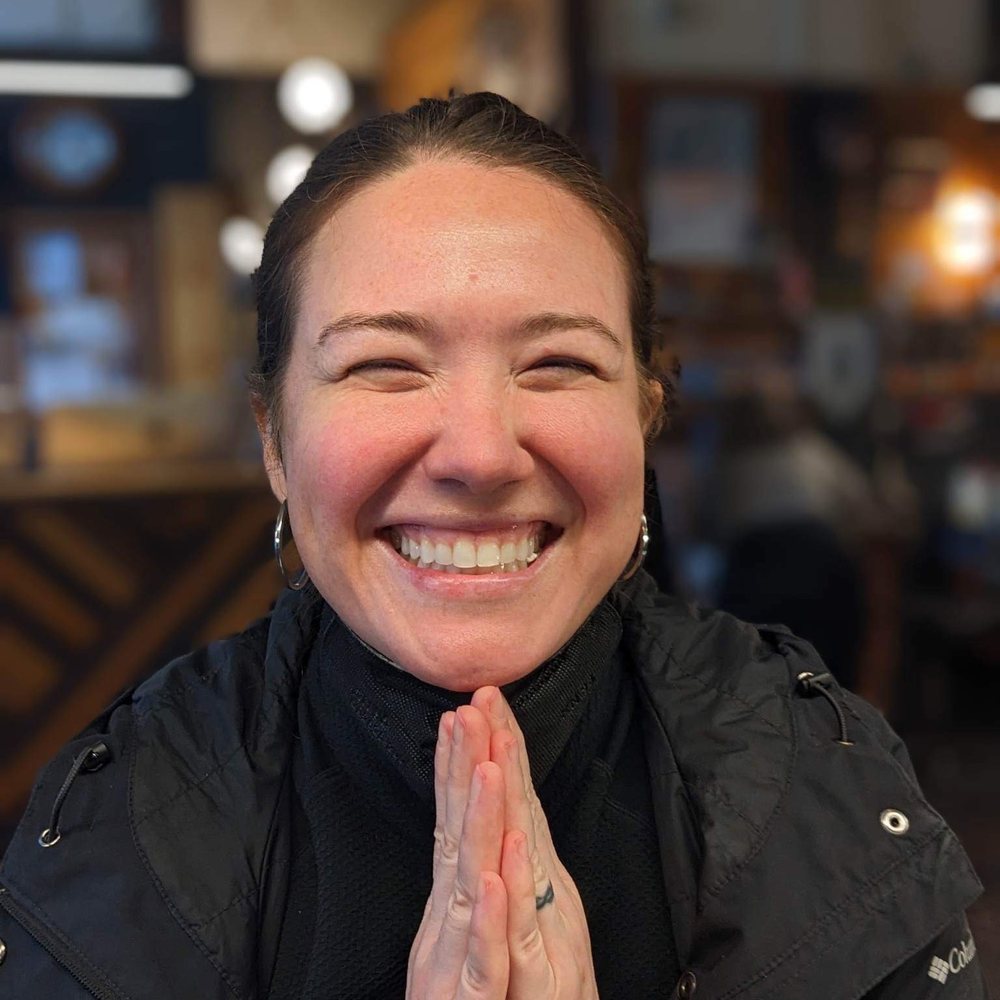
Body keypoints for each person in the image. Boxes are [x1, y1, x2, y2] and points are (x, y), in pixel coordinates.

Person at [0, 93, 987, 1000]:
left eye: (557, 363)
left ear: (643, 418)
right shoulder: (126, 825)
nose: (478, 454)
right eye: (387, 364)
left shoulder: (824, 787)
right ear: (274, 440)